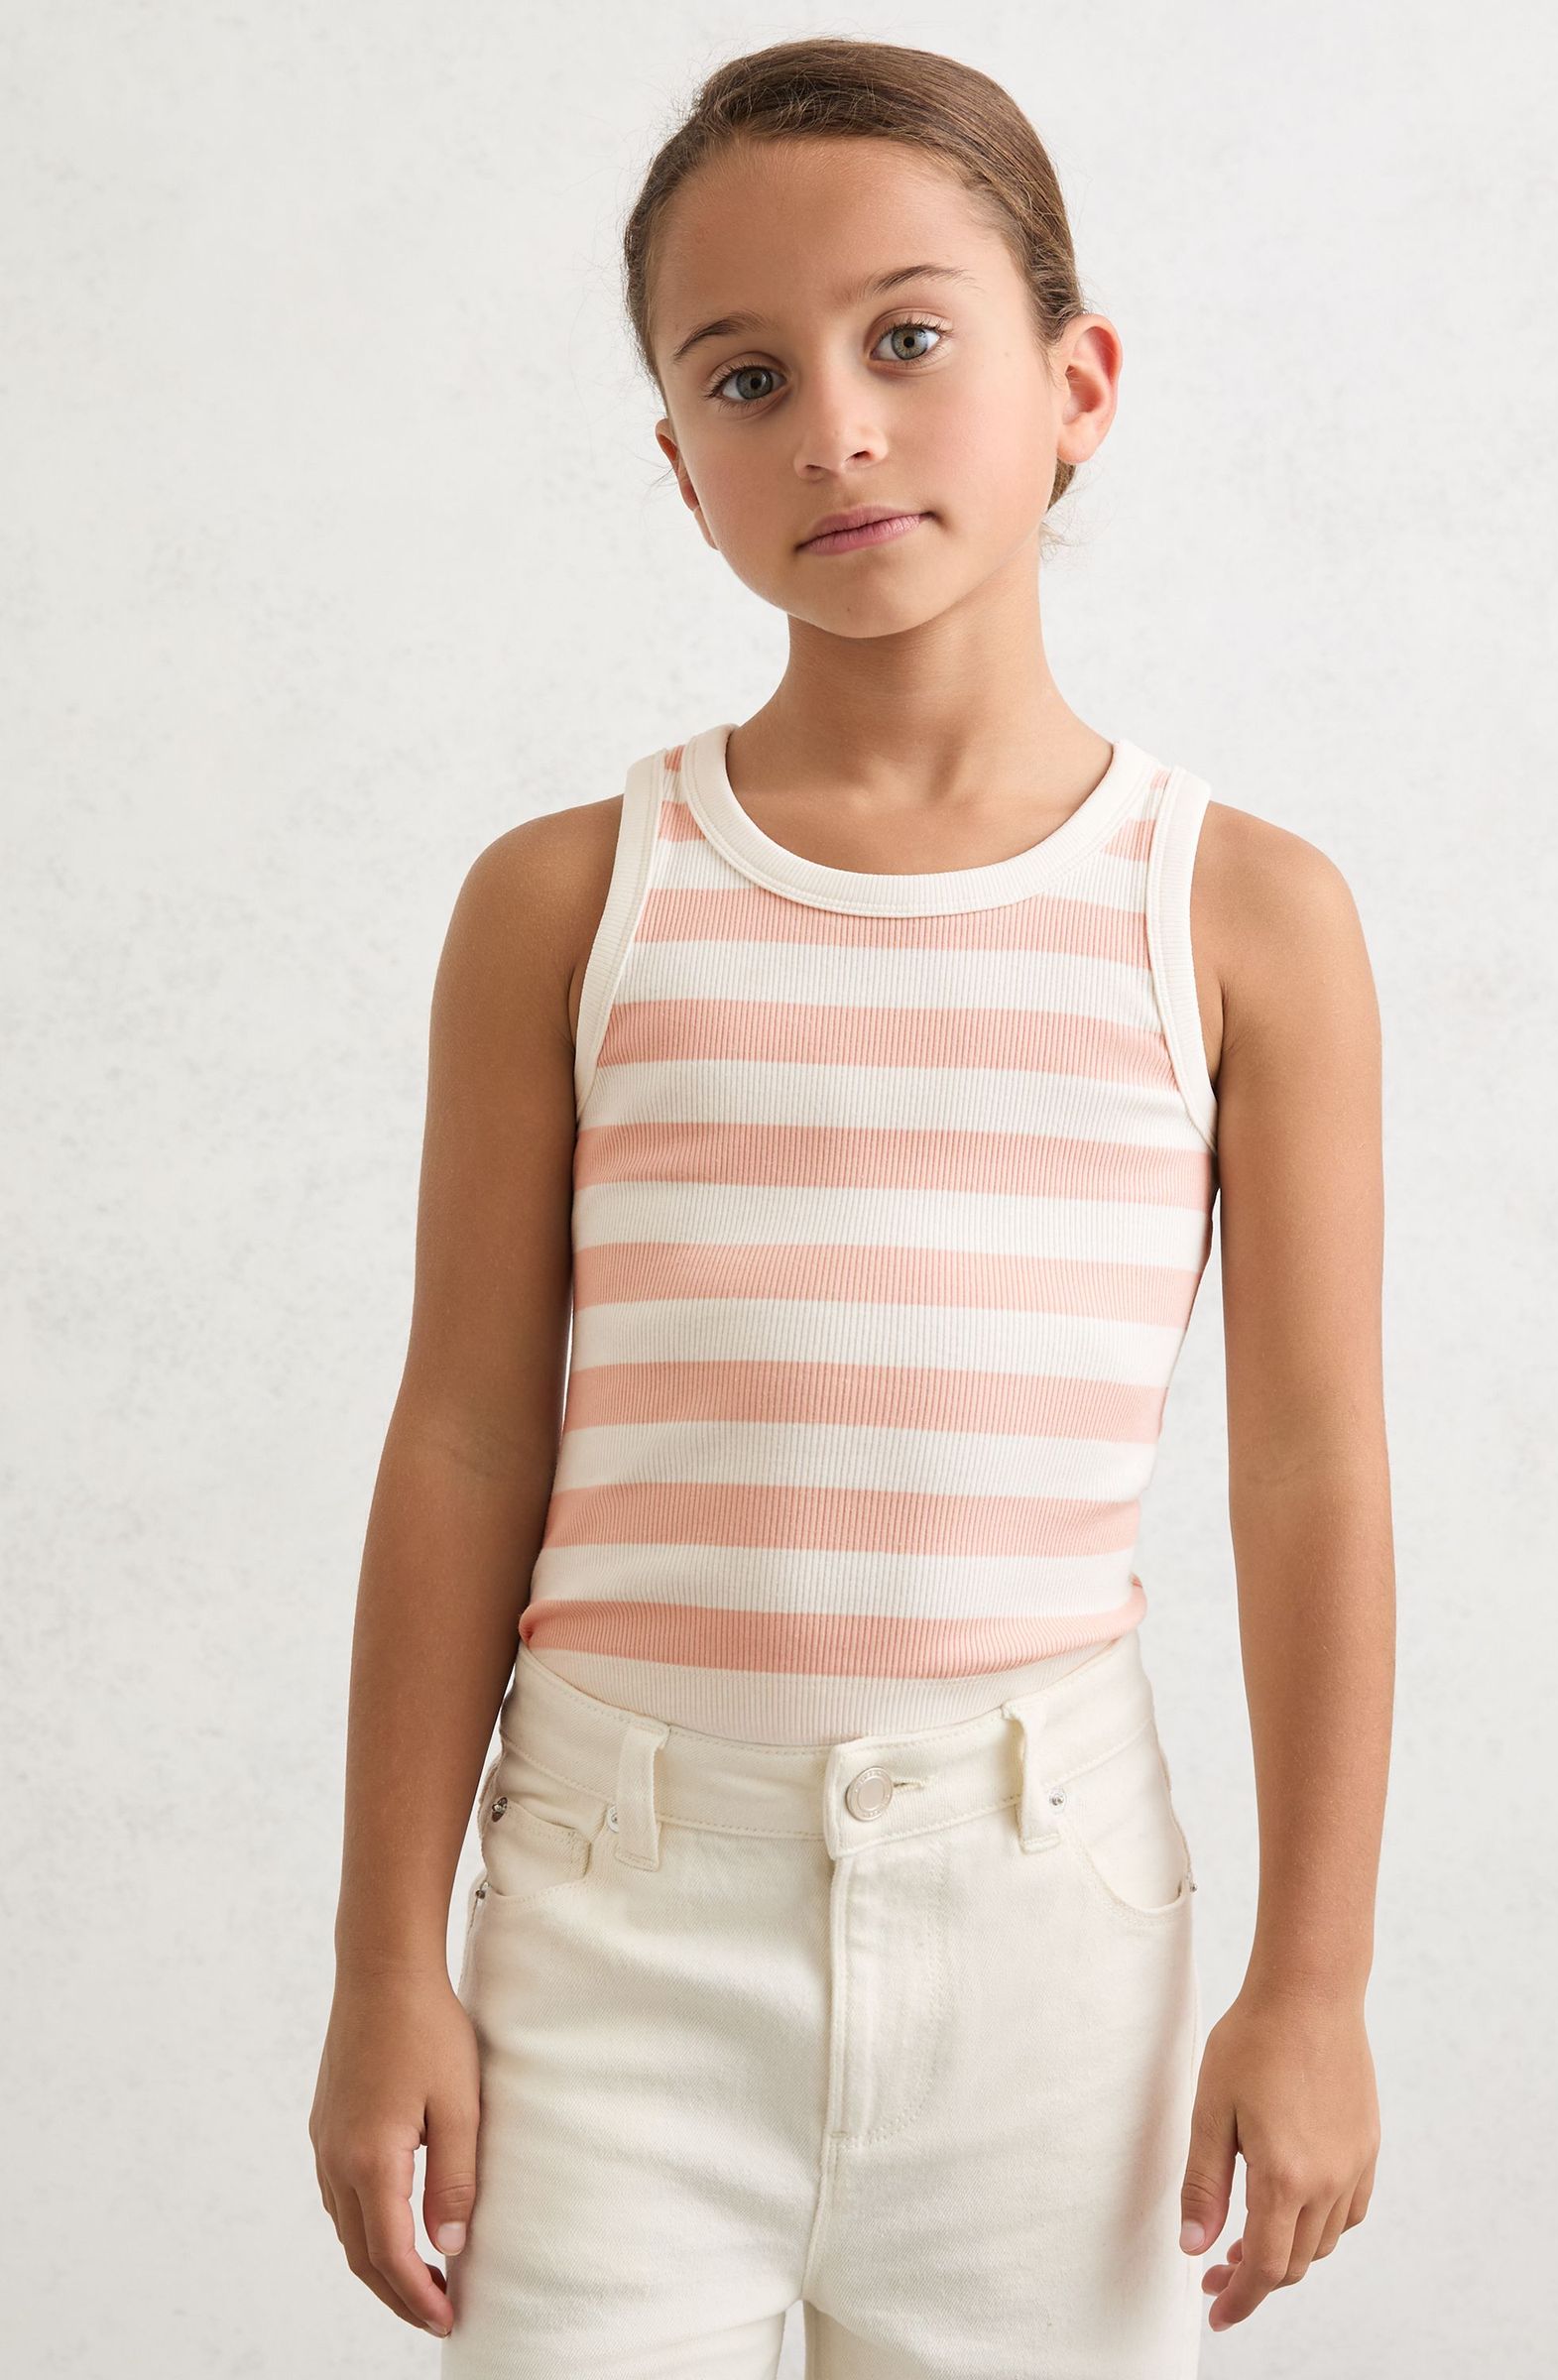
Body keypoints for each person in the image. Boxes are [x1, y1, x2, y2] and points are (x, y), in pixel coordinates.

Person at [309, 34, 1392, 2377]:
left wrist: (1313, 1980)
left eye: (909, 337)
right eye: (745, 377)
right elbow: (464, 1436)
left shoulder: (1241, 917)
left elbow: (1311, 1464)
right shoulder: (569, 901)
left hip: (1049, 1943)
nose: (837, 427)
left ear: (1076, 382)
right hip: (609, 1920)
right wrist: (385, 1959)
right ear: (677, 464)